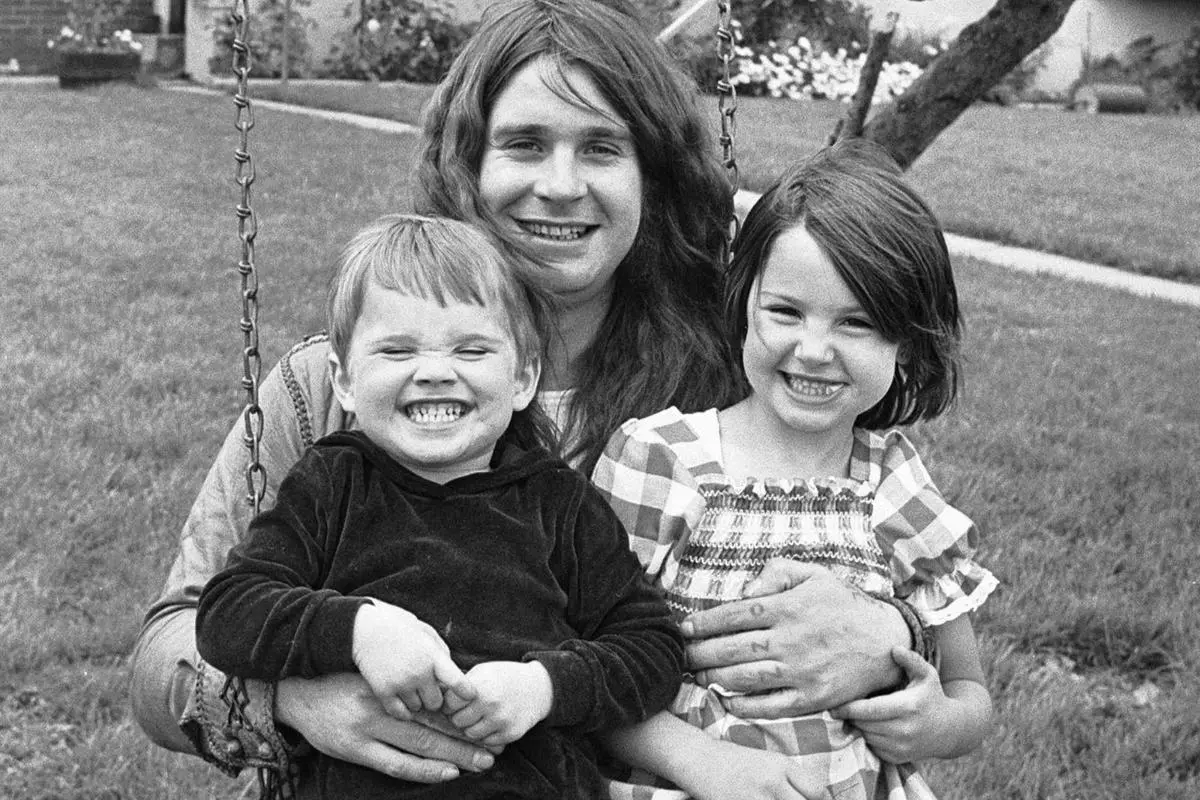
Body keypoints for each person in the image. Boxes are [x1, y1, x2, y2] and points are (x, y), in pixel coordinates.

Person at [130, 0, 925, 789]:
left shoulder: (728, 387)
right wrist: (293, 702)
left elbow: (885, 560)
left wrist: (891, 634)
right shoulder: (330, 390)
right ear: (468, 163)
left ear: (653, 175)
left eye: (602, 148)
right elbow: (168, 648)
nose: (561, 185)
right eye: (525, 144)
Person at [195, 214, 684, 799]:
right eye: (397, 350)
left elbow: (652, 648)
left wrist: (545, 687)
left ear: (523, 378)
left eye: (471, 349)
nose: (433, 372)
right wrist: (358, 629)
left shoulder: (557, 504)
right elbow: (228, 611)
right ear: (344, 381)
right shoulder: (331, 486)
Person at [592, 140, 998, 800]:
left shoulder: (892, 483)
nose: (813, 350)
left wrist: (930, 723)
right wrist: (705, 763)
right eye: (785, 311)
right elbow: (590, 670)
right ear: (742, 304)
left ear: (907, 342)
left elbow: (968, 695)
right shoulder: (663, 461)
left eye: (856, 323)